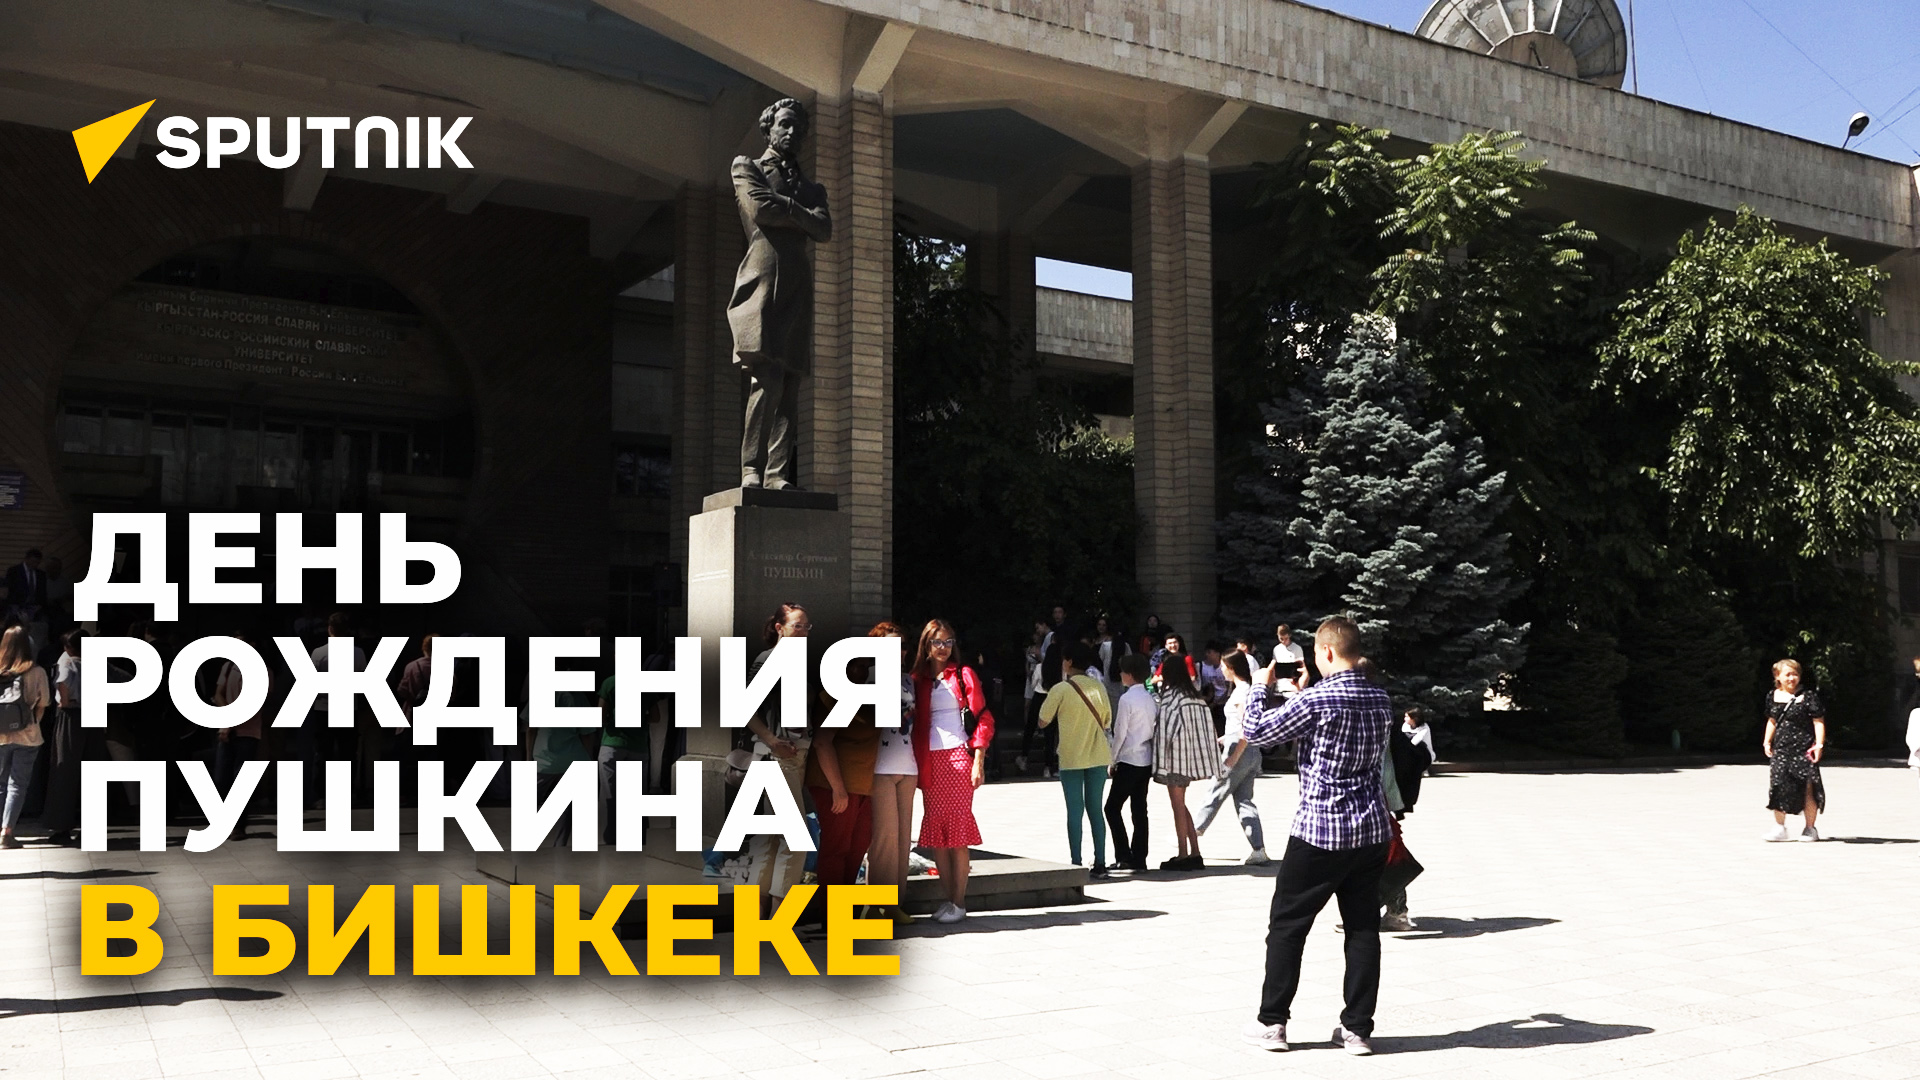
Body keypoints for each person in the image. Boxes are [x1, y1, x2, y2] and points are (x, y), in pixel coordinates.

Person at [1239, 617, 1394, 1057]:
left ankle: (1272, 1022)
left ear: (1326, 651)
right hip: (1370, 829)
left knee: (1288, 926)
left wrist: (1259, 687)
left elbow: (1257, 731)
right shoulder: (1380, 698)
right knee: (1362, 928)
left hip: (1320, 830)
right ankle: (1357, 1029)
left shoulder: (1319, 699)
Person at [911, 619, 994, 924]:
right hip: (929, 760)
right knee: (937, 835)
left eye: (948, 642)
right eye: (937, 642)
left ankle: (959, 902)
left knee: (957, 834)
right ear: (926, 645)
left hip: (958, 757)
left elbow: (983, 718)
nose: (943, 648)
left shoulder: (963, 673)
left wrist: (978, 760)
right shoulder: (917, 679)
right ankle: (948, 900)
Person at [807, 623, 890, 892]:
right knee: (837, 849)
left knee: (857, 848)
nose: (861, 671)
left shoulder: (865, 698)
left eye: (866, 666)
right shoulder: (834, 697)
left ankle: (843, 908)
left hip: (864, 787)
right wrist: (838, 789)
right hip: (837, 786)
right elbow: (822, 743)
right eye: (856, 665)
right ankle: (831, 913)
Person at [742, 603, 816, 895]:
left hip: (796, 755)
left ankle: (756, 913)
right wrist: (772, 740)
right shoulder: (769, 660)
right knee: (794, 840)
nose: (803, 632)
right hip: (778, 757)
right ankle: (780, 915)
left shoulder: (799, 662)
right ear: (779, 628)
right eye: (797, 626)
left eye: (807, 627)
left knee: (772, 839)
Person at [1039, 641, 1114, 876]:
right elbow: (1107, 720)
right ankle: (1100, 862)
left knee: (1074, 811)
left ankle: (1076, 862)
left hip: (1071, 756)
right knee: (1095, 810)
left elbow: (1043, 720)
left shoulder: (1060, 689)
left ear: (1069, 662)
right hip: (1098, 755)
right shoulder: (1098, 687)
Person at [1194, 651, 1270, 865]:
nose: (1221, 670)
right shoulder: (1245, 690)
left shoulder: (1242, 692)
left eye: (1223, 666)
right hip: (1250, 750)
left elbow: (1246, 728)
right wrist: (1225, 738)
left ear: (1232, 668)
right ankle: (1258, 848)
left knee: (1215, 790)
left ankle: (1192, 832)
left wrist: (1233, 756)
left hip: (1239, 749)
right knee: (1244, 801)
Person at [868, 624, 917, 925]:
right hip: (880, 767)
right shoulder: (867, 679)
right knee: (884, 840)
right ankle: (876, 905)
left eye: (901, 647)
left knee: (902, 841)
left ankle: (895, 904)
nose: (897, 652)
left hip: (907, 766)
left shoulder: (907, 680)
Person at [1152, 656, 1215, 870]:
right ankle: (1195, 852)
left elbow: (1165, 731)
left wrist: (1158, 763)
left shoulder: (1171, 698)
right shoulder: (1195, 697)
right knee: (1181, 804)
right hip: (1191, 758)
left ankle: (1183, 854)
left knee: (1177, 806)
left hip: (1174, 758)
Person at [211, 633, 274, 840]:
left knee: (240, 780)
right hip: (226, 730)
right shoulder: (228, 666)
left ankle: (238, 825)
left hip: (248, 732)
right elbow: (218, 693)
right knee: (221, 779)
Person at [1762, 659, 1825, 842]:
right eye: (1788, 674)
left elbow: (1818, 721)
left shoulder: (1808, 696)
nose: (1792, 678)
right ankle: (1780, 828)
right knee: (1778, 786)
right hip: (1781, 750)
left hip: (1804, 749)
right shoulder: (1772, 696)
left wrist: (1819, 745)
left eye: (1795, 674)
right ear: (1778, 676)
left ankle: (1810, 829)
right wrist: (1767, 742)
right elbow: (1772, 720)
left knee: (1808, 788)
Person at [1104, 653, 1157, 872]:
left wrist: (1112, 759)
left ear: (1129, 674)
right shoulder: (1150, 699)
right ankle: (1140, 857)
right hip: (1145, 758)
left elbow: (1120, 733)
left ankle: (1124, 855)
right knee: (1139, 810)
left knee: (1112, 808)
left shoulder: (1126, 699)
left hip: (1128, 759)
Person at [0, 626, 49, 849]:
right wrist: (32, 722)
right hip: (27, 736)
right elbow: (43, 703)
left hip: (0, 737)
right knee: (17, 785)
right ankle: (7, 832)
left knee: (1, 784)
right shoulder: (37, 672)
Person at [38, 628, 86, 845]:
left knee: (64, 770)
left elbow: (62, 681)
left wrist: (65, 701)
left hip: (70, 715)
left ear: (68, 647)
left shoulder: (66, 660)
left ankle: (62, 826)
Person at [1016, 620, 1048, 775]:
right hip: (1033, 679)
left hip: (1040, 684)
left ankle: (1035, 731)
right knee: (1027, 706)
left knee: (1038, 714)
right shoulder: (1029, 649)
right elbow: (1026, 664)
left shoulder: (1043, 651)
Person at [3, 550, 48, 654]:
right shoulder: (14, 571)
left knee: (35, 629)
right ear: (26, 559)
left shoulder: (41, 574)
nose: (34, 564)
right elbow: (10, 591)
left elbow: (42, 593)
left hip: (34, 608)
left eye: (37, 562)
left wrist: (40, 605)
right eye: (32, 561)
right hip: (17, 607)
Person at [1273, 624, 1310, 690]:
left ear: (1289, 635)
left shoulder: (1297, 648)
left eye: (1286, 639)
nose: (1283, 641)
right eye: (1281, 639)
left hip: (1293, 688)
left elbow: (1301, 667)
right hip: (1280, 687)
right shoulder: (1276, 649)